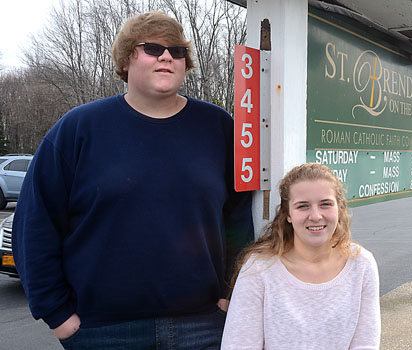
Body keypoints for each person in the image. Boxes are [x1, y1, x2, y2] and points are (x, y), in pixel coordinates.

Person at [12, 11, 253, 350]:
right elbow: (35, 226)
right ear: (126, 60)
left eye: (177, 50)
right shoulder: (78, 130)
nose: (167, 56)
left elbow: (241, 220)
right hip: (102, 332)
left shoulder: (219, 128)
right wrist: (58, 316)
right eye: (152, 48)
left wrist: (231, 294)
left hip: (205, 326)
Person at [221, 163, 381, 349]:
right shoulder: (259, 268)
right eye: (303, 206)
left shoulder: (361, 265)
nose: (315, 215)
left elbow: (365, 345)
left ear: (340, 208)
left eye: (325, 204)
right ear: (288, 214)